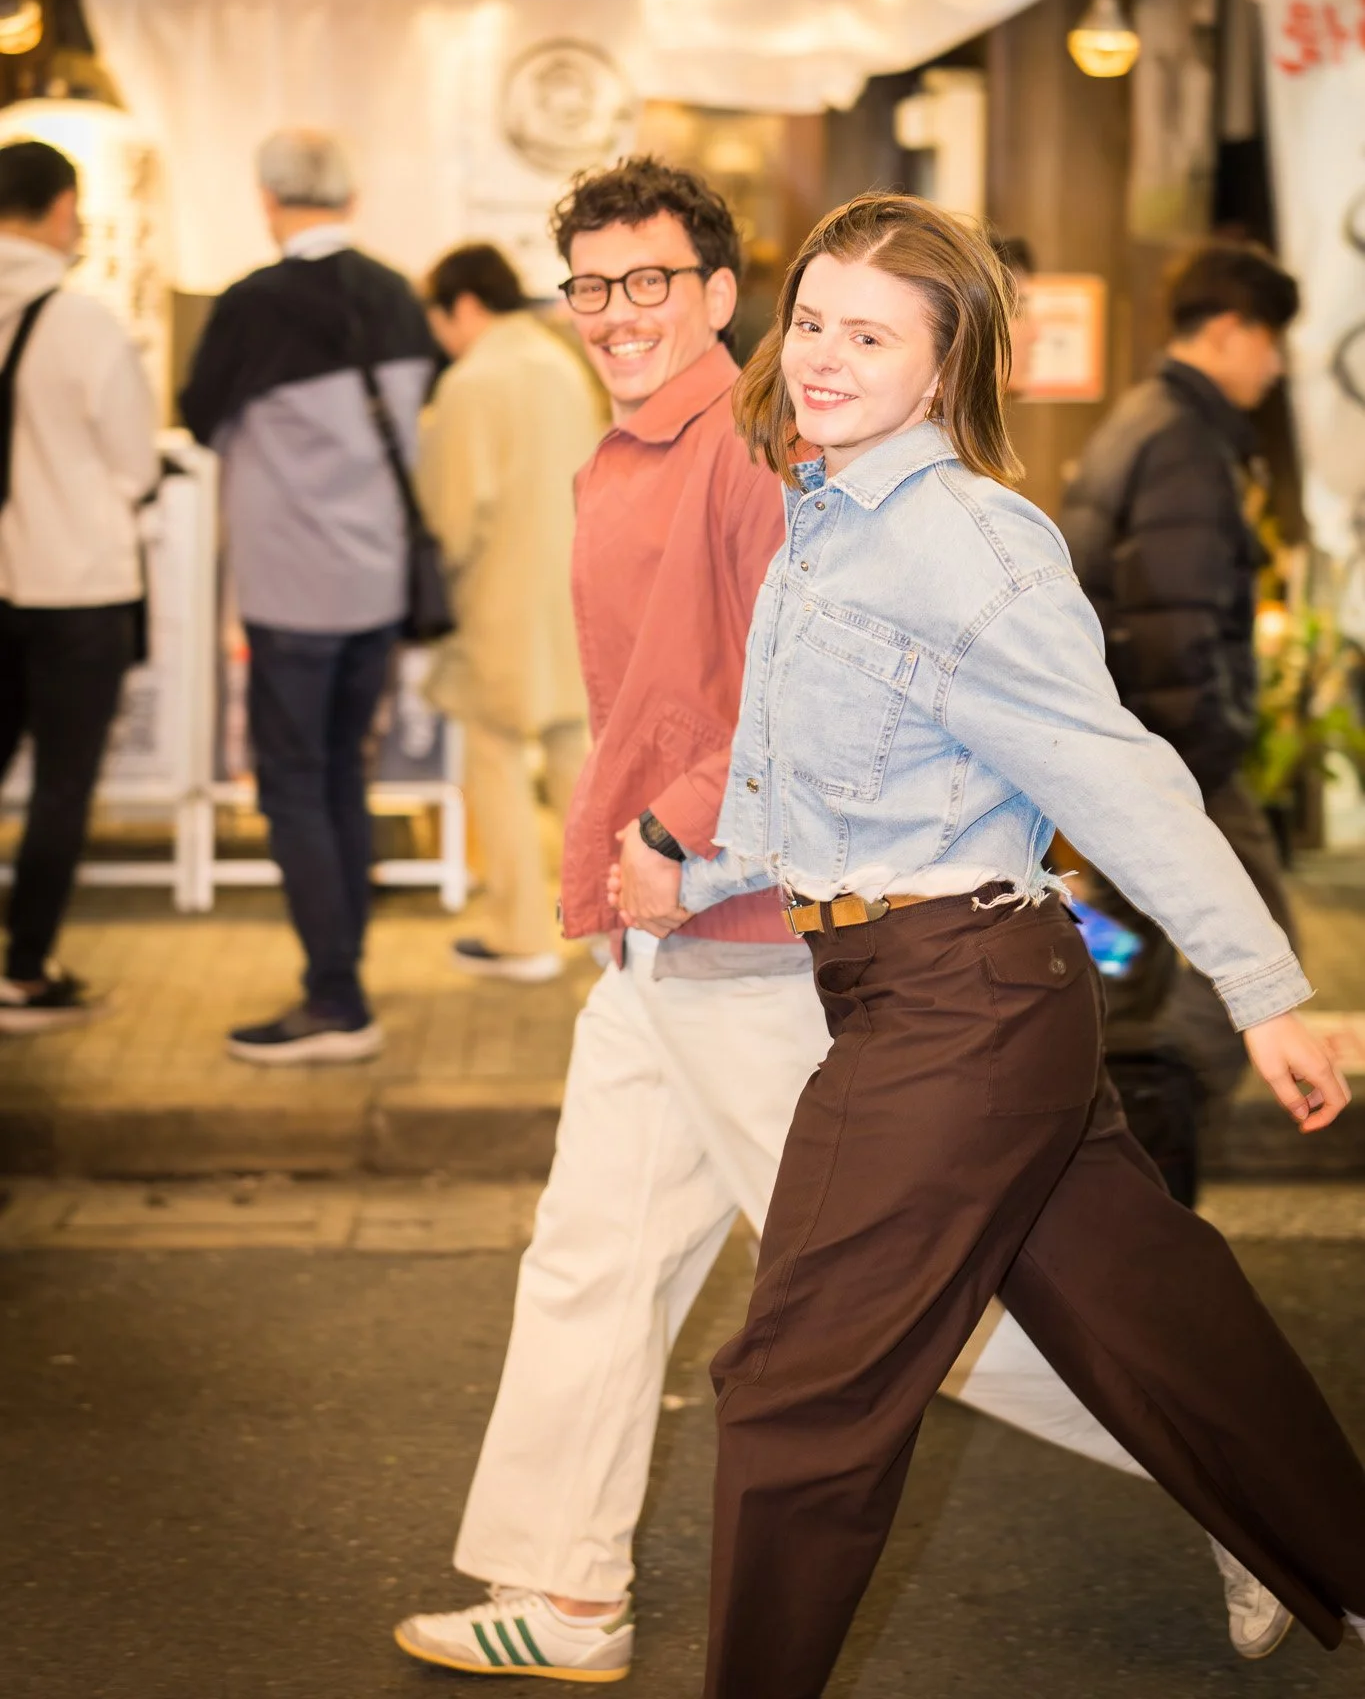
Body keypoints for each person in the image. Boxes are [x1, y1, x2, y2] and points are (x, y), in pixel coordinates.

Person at [395, 163, 1270, 1685]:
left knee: (919, 1318)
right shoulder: (625, 453)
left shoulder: (760, 452)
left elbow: (788, 692)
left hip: (756, 942)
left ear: (719, 294)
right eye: (591, 284)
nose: (617, 311)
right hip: (658, 936)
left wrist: (679, 835)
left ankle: (1260, 1498)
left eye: (651, 280)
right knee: (593, 1258)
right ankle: (563, 1588)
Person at [614, 194, 1365, 1698]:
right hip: (961, 995)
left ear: (947, 363)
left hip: (955, 1006)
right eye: (811, 321)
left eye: (869, 335)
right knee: (1159, 1323)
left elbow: (1120, 775)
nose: (822, 357)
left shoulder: (970, 542)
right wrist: (697, 870)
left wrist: (1265, 989)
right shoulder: (822, 519)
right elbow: (817, 782)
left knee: (797, 1386)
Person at [181, 130, 435, 1065]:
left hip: (291, 587)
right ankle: (343, 977)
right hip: (377, 584)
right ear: (350, 197)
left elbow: (199, 417)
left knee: (293, 786)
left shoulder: (254, 304)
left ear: (267, 199)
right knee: (340, 780)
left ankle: (335, 998)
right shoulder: (396, 293)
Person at [1060, 244, 1302, 1110]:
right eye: (1271, 341)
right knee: (1257, 957)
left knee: (1127, 951)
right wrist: (1198, 766)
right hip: (1172, 755)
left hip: (1129, 747)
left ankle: (1103, 1119)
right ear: (1230, 330)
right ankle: (1147, 1119)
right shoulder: (1184, 443)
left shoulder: (1141, 418)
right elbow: (1173, 623)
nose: (1276, 367)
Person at [0, 139, 158, 1028]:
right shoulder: (83, 324)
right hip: (76, 587)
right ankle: (25, 970)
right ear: (63, 209)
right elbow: (135, 464)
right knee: (62, 786)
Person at [416, 243, 601, 983]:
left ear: (463, 306)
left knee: (491, 755)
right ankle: (605, 923)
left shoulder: (472, 380)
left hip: (497, 593)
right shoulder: (563, 366)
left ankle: (522, 934)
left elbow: (454, 510)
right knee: (575, 756)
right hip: (571, 587)